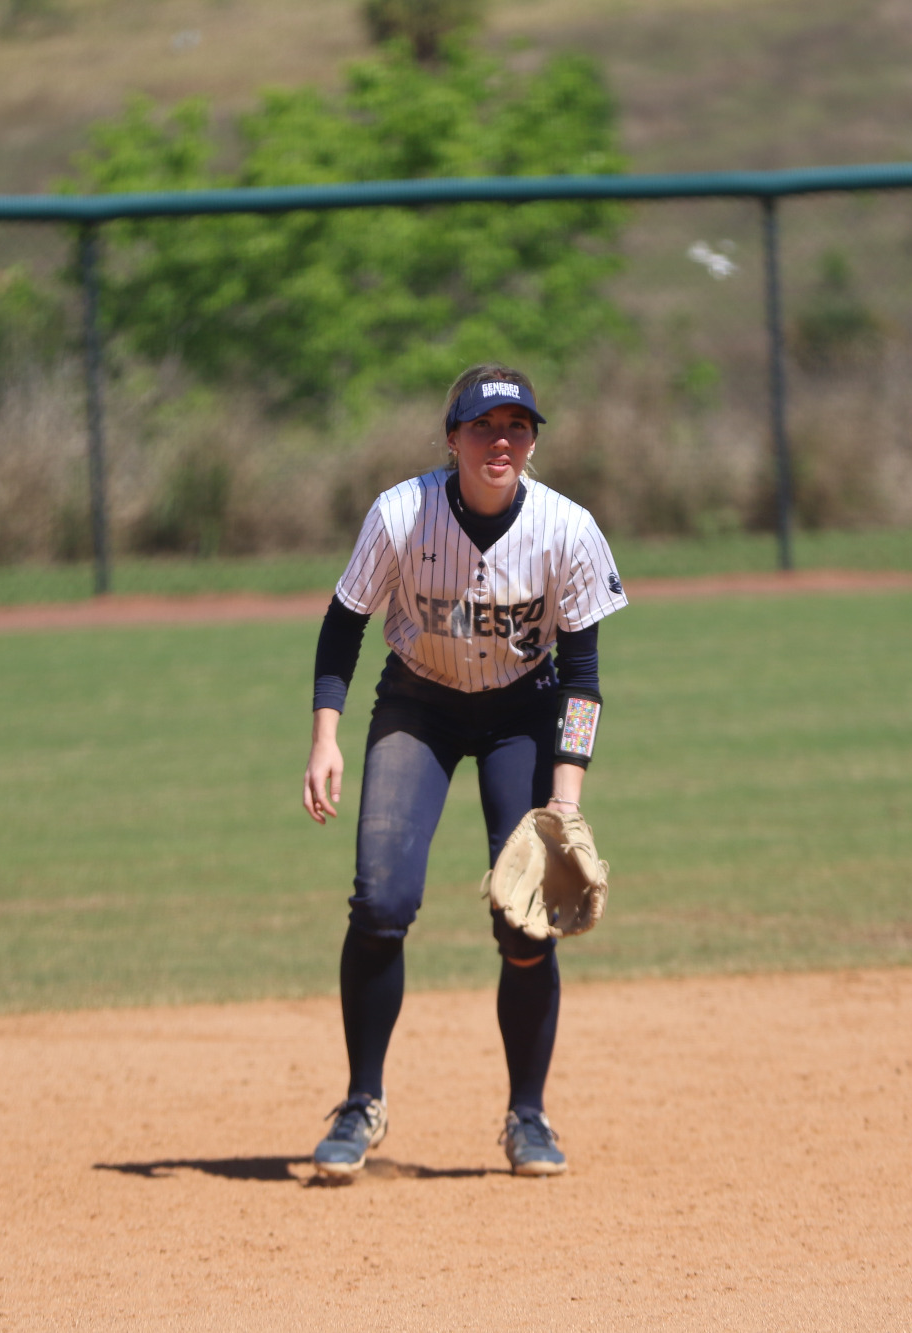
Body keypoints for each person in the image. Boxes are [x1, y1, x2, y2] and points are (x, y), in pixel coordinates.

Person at [301, 363, 629, 1179]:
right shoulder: (401, 514)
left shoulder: (567, 529)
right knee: (381, 900)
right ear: (453, 438)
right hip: (420, 702)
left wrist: (565, 801)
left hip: (524, 711)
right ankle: (360, 1103)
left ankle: (528, 1116)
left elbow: (583, 679)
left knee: (526, 915)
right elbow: (343, 626)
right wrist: (326, 736)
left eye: (518, 426)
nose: (502, 440)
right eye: (484, 426)